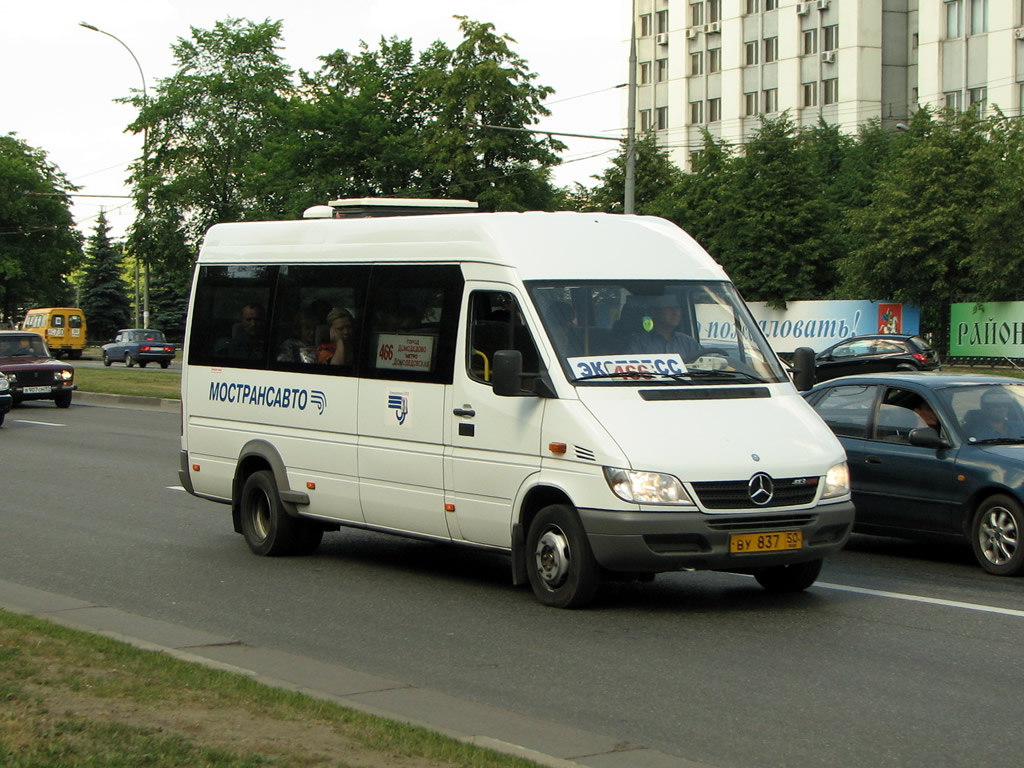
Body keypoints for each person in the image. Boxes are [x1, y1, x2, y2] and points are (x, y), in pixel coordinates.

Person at [627, 294, 704, 361]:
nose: (675, 313)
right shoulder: (640, 343)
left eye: (677, 308)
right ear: (655, 313)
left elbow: (705, 364)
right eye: (669, 308)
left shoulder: (688, 342)